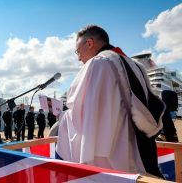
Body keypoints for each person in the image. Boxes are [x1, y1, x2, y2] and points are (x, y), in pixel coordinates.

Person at [57, 25, 164, 177]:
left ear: (89, 43)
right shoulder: (137, 65)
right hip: (141, 151)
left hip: (112, 157)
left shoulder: (98, 63)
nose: (78, 57)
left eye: (77, 51)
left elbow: (81, 112)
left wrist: (62, 118)